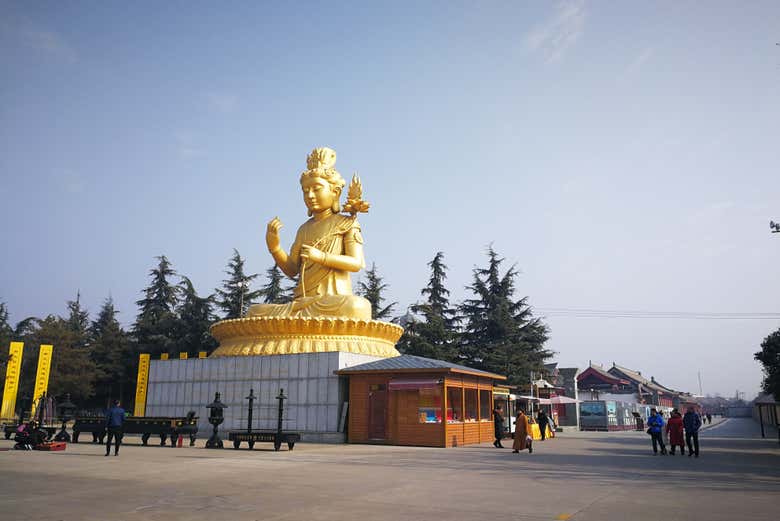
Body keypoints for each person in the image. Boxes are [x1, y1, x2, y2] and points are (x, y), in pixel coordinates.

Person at [248, 147, 372, 320]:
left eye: (316, 189)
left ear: (335, 192)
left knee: (357, 306)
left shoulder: (347, 223)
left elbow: (356, 263)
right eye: (306, 191)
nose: (310, 195)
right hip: (303, 302)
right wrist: (275, 247)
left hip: (333, 301)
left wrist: (321, 257)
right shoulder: (304, 229)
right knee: (255, 312)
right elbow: (292, 269)